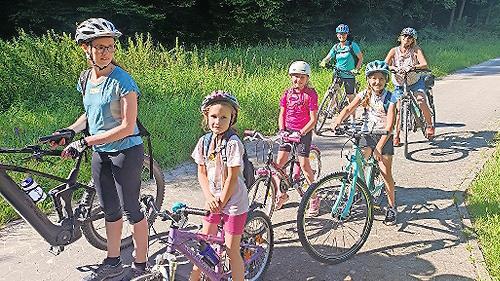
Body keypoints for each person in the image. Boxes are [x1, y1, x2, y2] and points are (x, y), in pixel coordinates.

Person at [52, 18, 149, 280]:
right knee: (110, 211)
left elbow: (127, 127)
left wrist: (85, 142)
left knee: (131, 209)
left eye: (110, 47)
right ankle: (114, 260)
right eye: (100, 47)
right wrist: (71, 131)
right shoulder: (86, 79)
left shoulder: (123, 81)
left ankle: (141, 264)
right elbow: (90, 113)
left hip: (125, 152)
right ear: (86, 48)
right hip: (101, 153)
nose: (106, 51)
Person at [190, 90, 249, 281]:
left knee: (232, 250)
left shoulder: (233, 143)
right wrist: (209, 198)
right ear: (206, 117)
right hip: (214, 200)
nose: (218, 121)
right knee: (203, 246)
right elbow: (201, 172)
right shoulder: (204, 142)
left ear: (232, 119)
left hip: (234, 203)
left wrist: (221, 202)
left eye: (224, 117)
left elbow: (232, 178)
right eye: (214, 116)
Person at [331, 60, 398, 225]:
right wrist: (338, 121)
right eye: (373, 78)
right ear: (368, 79)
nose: (377, 82)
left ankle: (391, 207)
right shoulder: (364, 94)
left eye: (381, 78)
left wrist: (379, 148)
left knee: (385, 172)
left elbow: (390, 127)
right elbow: (348, 109)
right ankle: (358, 189)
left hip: (384, 136)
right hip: (367, 134)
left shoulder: (391, 97)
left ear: (386, 80)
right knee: (357, 163)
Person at [276, 61, 319, 215]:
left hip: (303, 132)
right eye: (295, 77)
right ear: (290, 77)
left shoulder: (311, 94)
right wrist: (282, 130)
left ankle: (314, 198)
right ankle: (282, 193)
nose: (298, 80)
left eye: (302, 77)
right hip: (288, 132)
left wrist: (301, 133)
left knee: (304, 164)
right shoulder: (287, 94)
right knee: (278, 165)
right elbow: (282, 114)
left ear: (307, 78)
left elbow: (313, 120)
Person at [385, 27, 435, 146]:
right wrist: (393, 68)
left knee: (421, 100)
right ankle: (396, 136)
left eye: (410, 37)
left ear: (413, 40)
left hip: (414, 82)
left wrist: (413, 67)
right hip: (400, 84)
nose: (407, 39)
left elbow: (424, 64)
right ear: (400, 37)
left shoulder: (415, 50)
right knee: (397, 109)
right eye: (405, 36)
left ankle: (429, 125)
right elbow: (385, 64)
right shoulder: (394, 51)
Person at [320, 23, 364, 102]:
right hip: (338, 72)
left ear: (347, 34)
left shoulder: (352, 45)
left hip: (349, 74)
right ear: (337, 35)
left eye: (344, 34)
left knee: (350, 96)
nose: (342, 36)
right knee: (333, 91)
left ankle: (353, 113)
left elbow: (360, 58)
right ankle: (333, 108)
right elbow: (328, 57)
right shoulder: (336, 47)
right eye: (340, 34)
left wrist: (356, 69)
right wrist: (324, 61)